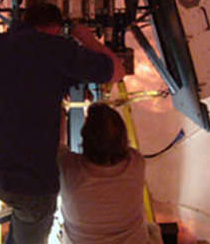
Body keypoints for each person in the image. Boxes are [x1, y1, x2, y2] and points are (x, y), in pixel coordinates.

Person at [0, 3, 125, 244]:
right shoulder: (57, 49)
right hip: (30, 183)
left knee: (23, 227)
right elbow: (116, 72)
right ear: (55, 28)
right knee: (30, 229)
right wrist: (86, 37)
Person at [58, 103, 162, 244]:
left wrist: (62, 109)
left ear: (85, 138)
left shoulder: (68, 168)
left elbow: (57, 142)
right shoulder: (136, 161)